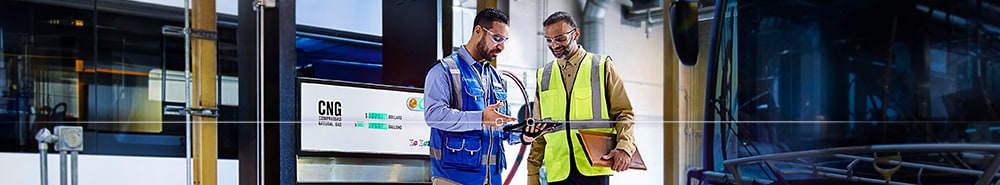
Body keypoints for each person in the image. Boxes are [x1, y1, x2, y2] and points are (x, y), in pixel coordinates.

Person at [423, 8, 541, 185]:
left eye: (505, 41)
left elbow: (501, 129)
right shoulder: (445, 71)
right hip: (454, 178)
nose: (501, 47)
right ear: (478, 31)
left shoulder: (496, 78)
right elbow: (433, 115)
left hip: (492, 179)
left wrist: (524, 136)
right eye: (497, 38)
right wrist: (480, 118)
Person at [526, 11, 637, 185]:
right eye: (549, 40)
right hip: (558, 172)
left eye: (560, 38)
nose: (554, 45)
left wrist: (625, 147)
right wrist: (532, 175)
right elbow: (539, 132)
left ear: (575, 34)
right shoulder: (544, 75)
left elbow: (624, 112)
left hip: (594, 168)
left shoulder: (601, 66)